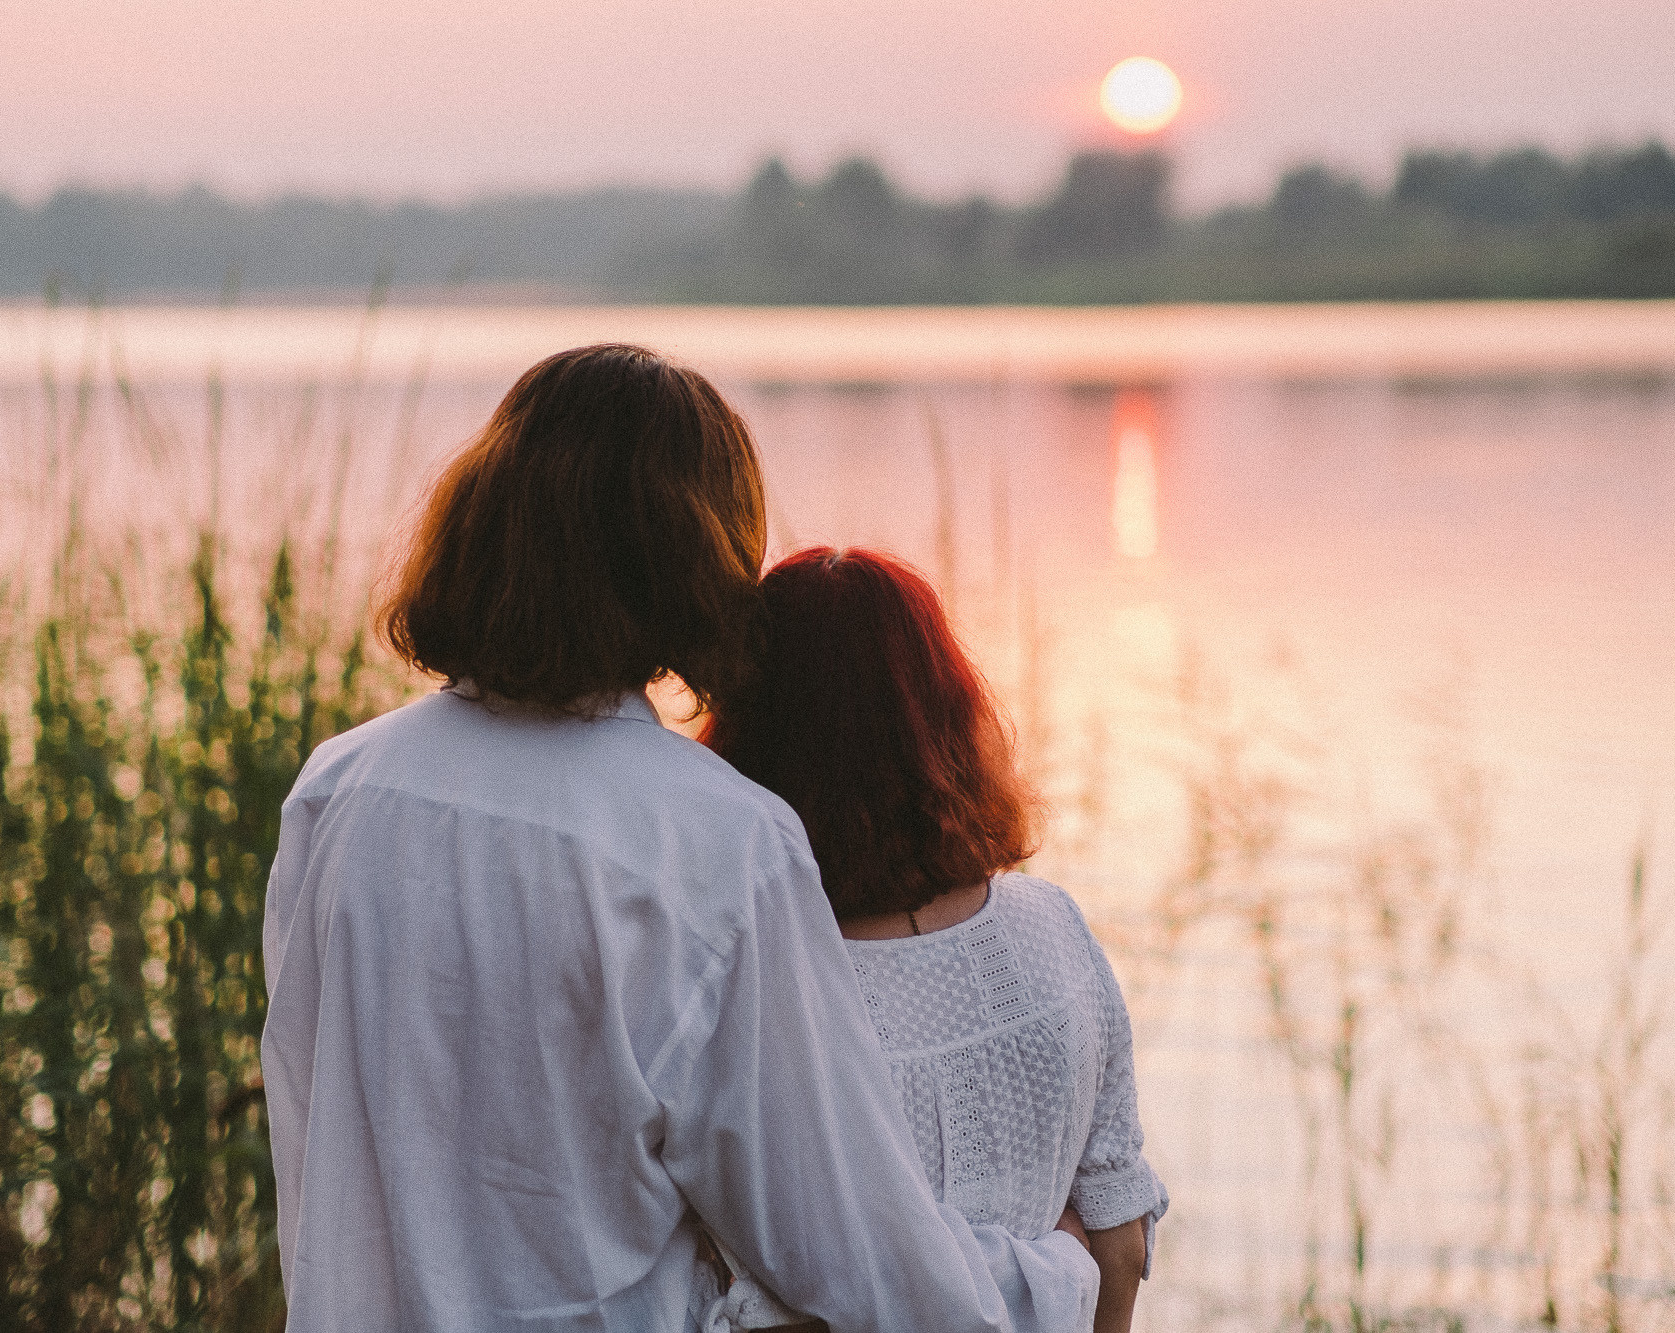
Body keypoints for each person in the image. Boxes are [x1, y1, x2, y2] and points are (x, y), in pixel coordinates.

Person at [259, 345, 1098, 1332]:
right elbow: (860, 1260)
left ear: (483, 520)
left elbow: (318, 1158)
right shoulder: (714, 841)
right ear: (694, 561)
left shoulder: (338, 790)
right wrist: (1058, 1273)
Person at [706, 547, 1170, 1333]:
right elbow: (1119, 1241)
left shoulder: (761, 988)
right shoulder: (1055, 929)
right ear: (949, 712)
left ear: (754, 739)